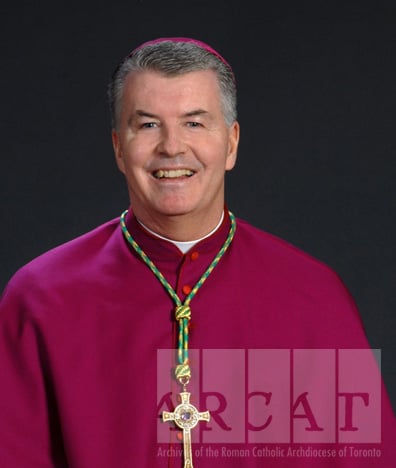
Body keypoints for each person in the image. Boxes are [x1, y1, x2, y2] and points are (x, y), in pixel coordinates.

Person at [0, 37, 394, 468]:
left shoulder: (314, 295)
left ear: (231, 143)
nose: (171, 147)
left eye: (194, 123)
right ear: (118, 146)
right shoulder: (42, 298)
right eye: (148, 125)